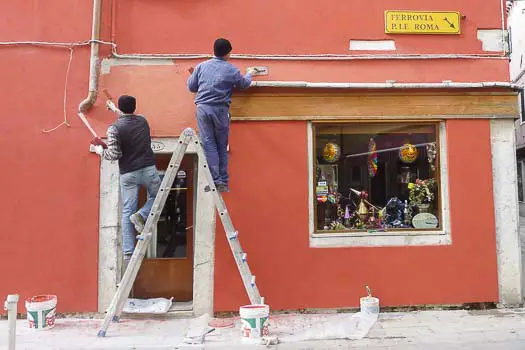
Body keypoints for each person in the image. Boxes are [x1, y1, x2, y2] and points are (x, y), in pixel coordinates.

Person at [91, 95, 161, 267]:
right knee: (159, 195)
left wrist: (99, 150)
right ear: (134, 107)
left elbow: (114, 155)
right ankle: (142, 215)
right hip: (148, 169)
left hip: (129, 174)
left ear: (120, 109)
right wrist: (115, 109)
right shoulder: (143, 121)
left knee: (127, 210)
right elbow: (128, 119)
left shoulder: (114, 129)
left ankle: (129, 253)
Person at [187, 38, 257, 192]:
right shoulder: (231, 69)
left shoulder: (201, 66)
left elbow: (191, 87)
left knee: (209, 144)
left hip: (203, 109)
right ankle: (223, 182)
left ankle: (215, 180)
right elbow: (244, 84)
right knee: (221, 146)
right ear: (228, 52)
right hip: (220, 110)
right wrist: (250, 74)